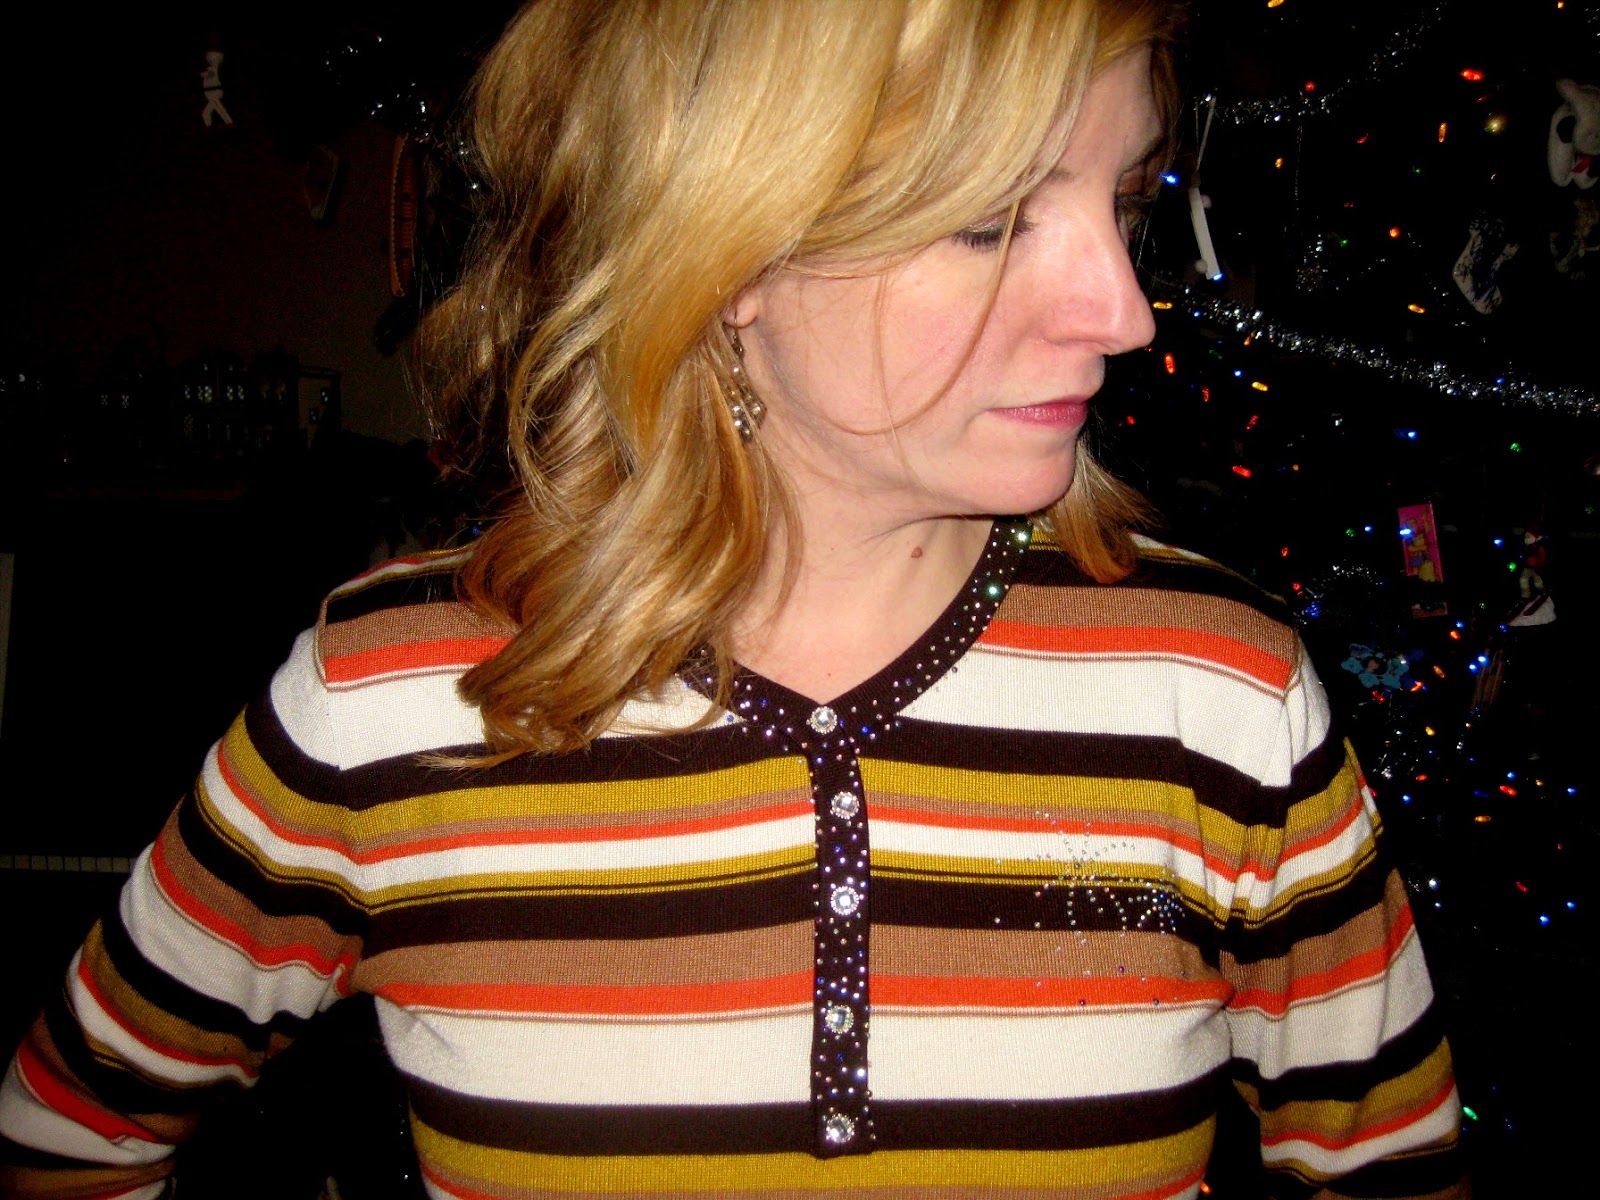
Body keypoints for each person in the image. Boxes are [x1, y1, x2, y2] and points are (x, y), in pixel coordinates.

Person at [1, 2, 1467, 1197]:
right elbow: (69, 1132)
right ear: (731, 249)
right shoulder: (389, 702)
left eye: (1124, 200)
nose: (1125, 311)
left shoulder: (1222, 694)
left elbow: (1390, 1170)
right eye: (992, 219)